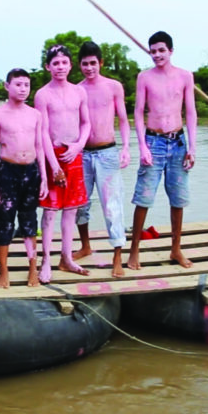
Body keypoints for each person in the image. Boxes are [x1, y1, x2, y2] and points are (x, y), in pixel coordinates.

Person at [128, 31, 198, 270]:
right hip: (153, 142)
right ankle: (134, 251)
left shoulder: (185, 76)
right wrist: (142, 146)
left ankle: (176, 249)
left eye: (161, 50)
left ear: (170, 51)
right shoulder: (144, 77)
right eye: (153, 51)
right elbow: (138, 113)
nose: (157, 55)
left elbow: (190, 112)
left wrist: (193, 147)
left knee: (178, 198)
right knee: (144, 198)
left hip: (178, 142)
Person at [72, 41, 131, 277]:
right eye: (85, 64)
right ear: (79, 65)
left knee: (112, 205)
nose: (89, 68)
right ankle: (85, 245)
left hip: (107, 151)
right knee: (79, 203)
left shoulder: (113, 87)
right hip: (82, 153)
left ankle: (117, 255)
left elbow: (124, 120)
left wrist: (126, 147)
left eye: (93, 63)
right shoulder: (76, 89)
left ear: (101, 63)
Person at [34, 44, 91, 283]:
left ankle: (66, 257)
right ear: (48, 67)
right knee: (50, 211)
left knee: (71, 210)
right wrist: (53, 165)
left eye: (64, 63)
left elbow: (86, 123)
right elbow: (43, 132)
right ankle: (46, 260)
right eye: (55, 63)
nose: (60, 67)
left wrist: (78, 145)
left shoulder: (79, 92)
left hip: (74, 154)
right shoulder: (42, 94)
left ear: (70, 65)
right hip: (52, 155)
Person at [0, 68, 48, 288]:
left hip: (31, 172)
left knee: (30, 222)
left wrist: (44, 179)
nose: (23, 89)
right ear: (7, 86)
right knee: (4, 222)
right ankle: (4, 271)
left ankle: (33, 269)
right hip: (7, 173)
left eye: (26, 85)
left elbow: (40, 146)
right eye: (18, 84)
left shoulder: (35, 114)